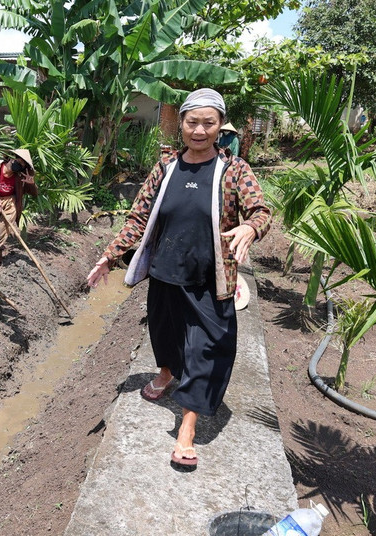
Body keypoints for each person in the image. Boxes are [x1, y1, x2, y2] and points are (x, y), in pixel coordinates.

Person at [86, 89, 271, 469]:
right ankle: (167, 372)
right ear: (181, 124)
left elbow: (261, 210)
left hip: (210, 278)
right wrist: (109, 256)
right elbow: (138, 217)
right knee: (165, 332)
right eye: (192, 122)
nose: (199, 130)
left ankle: (186, 427)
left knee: (209, 347)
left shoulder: (234, 170)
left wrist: (250, 229)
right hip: (166, 272)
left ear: (220, 126)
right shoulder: (166, 166)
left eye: (208, 122)